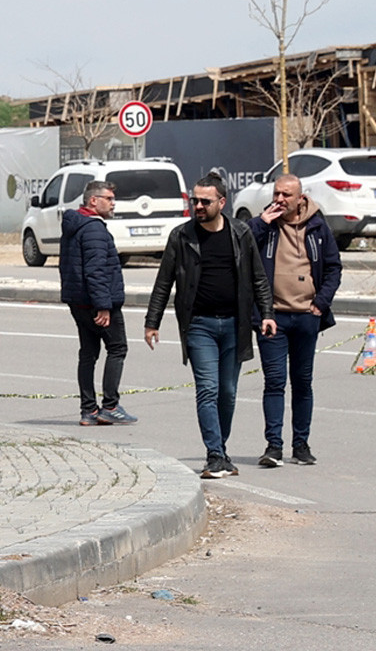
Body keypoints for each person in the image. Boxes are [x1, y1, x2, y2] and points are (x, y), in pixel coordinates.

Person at [144, 173, 276, 479]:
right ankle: (214, 455)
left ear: (222, 202)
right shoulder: (181, 236)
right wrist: (152, 322)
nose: (199, 206)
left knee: (227, 392)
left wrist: (267, 313)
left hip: (235, 325)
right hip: (199, 326)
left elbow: (258, 277)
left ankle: (221, 449)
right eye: (195, 200)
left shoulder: (241, 232)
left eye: (205, 201)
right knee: (208, 389)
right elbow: (164, 282)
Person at [248, 174, 343, 467]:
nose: (280, 199)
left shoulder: (317, 226)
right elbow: (240, 248)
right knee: (274, 382)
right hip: (272, 317)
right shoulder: (265, 224)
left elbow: (333, 268)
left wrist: (320, 303)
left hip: (306, 316)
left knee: (302, 382)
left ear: (300, 198)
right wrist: (260, 223)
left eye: (286, 195)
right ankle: (273, 446)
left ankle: (301, 445)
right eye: (276, 193)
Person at [59, 180, 136, 426]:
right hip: (97, 303)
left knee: (88, 353)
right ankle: (110, 406)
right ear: (94, 200)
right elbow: (95, 270)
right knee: (117, 348)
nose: (113, 204)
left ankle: (88, 410)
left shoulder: (75, 224)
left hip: (79, 302)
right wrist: (103, 305)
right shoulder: (94, 229)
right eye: (109, 199)